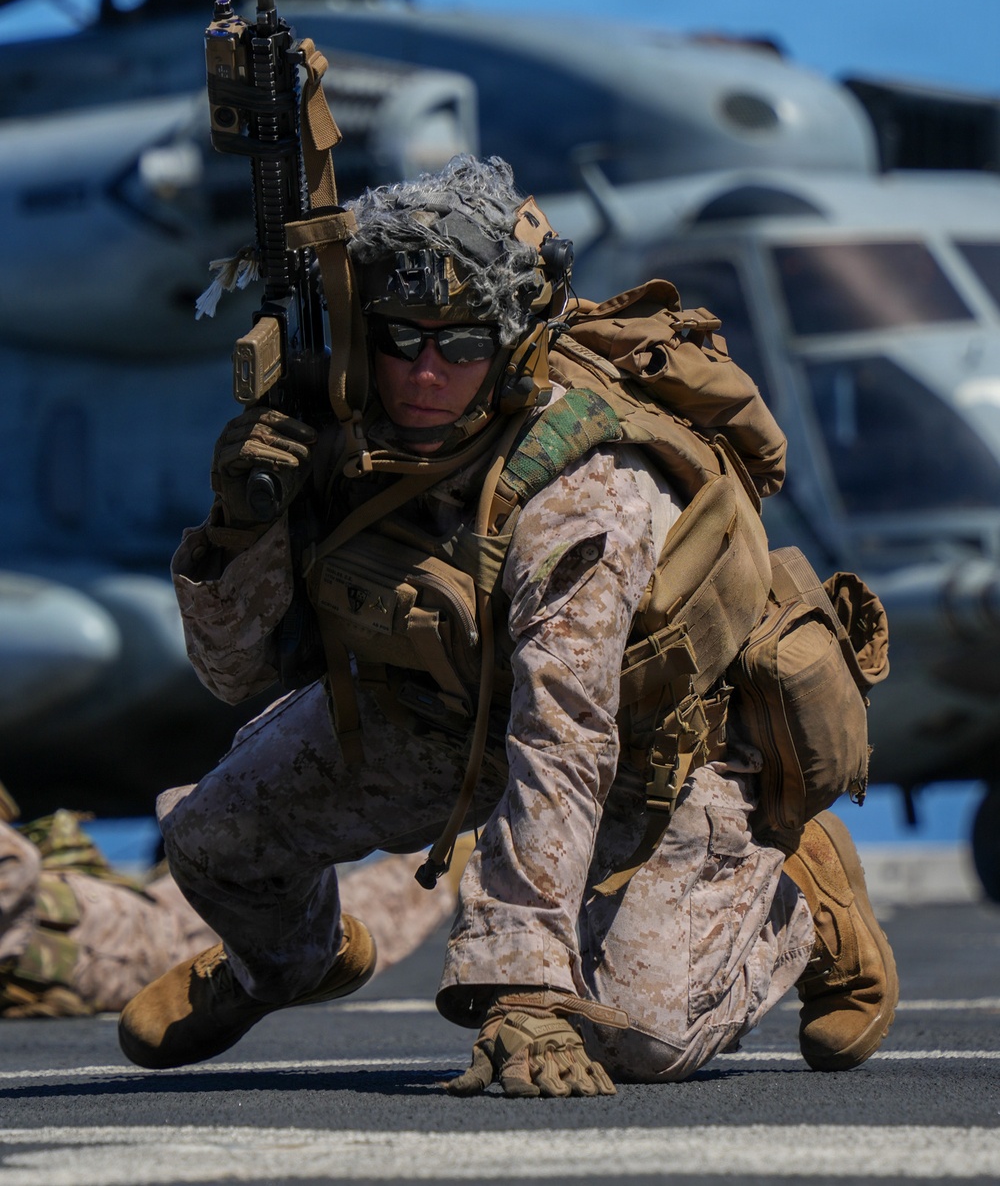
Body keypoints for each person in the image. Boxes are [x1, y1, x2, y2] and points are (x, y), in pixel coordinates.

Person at [119, 155, 896, 1095]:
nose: (426, 372)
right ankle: (288, 963)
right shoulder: (335, 436)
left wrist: (522, 991)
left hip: (646, 762)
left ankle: (798, 900)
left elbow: (564, 733)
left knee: (640, 1037)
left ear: (514, 345)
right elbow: (235, 673)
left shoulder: (582, 490)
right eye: (401, 339)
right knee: (214, 840)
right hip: (442, 724)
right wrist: (240, 528)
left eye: (465, 344)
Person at [0, 783, 464, 1017]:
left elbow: (14, 862)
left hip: (136, 939)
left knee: (321, 938)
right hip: (112, 939)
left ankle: (448, 866)